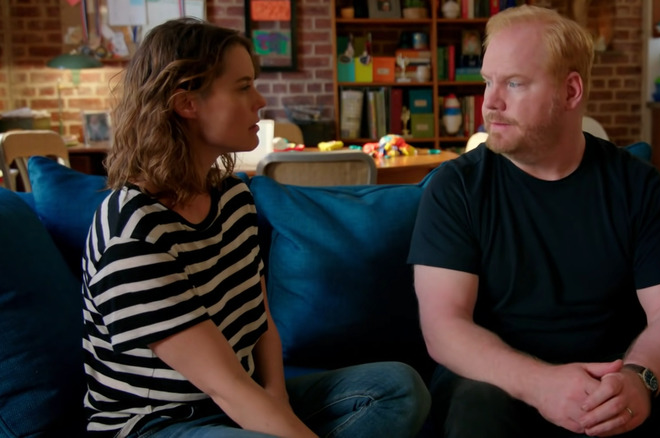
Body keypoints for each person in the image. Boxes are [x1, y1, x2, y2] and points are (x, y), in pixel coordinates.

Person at [82, 18, 430, 438]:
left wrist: (279, 401)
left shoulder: (232, 197)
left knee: (396, 388)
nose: (260, 100)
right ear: (186, 103)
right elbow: (223, 385)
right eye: (243, 86)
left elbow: (260, 320)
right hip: (158, 424)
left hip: (239, 401)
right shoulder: (133, 233)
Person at [408, 5, 660, 438]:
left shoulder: (637, 185)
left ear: (571, 92)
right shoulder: (455, 188)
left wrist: (640, 379)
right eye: (488, 82)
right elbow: (444, 327)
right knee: (478, 405)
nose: (489, 103)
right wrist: (540, 385)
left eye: (513, 83)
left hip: (611, 383)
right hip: (499, 384)